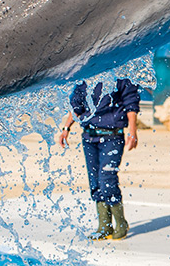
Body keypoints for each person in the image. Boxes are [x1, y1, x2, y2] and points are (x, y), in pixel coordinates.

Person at [58, 77, 140, 240]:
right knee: (95, 181)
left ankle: (121, 222)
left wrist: (132, 130)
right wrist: (66, 128)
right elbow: (76, 105)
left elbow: (131, 102)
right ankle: (104, 225)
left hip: (112, 137)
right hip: (89, 137)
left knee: (107, 179)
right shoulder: (87, 76)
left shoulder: (120, 75)